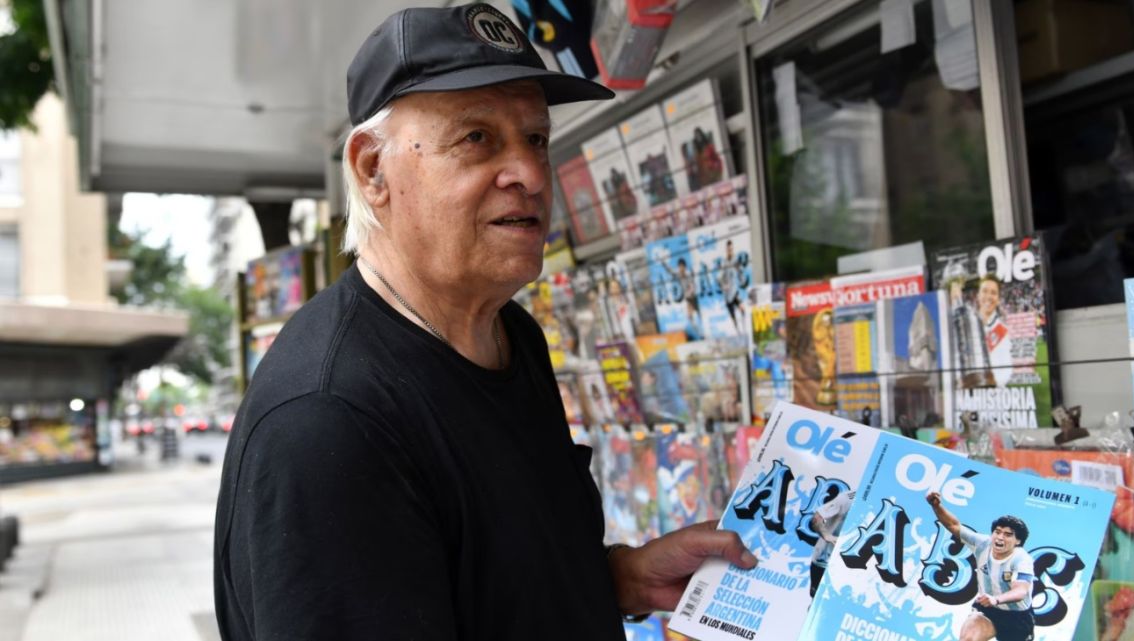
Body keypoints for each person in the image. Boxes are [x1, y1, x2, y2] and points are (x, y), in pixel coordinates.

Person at [212, 5, 756, 641]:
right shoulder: (330, 420)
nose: (527, 173)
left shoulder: (510, 334)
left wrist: (619, 579)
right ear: (372, 169)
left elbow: (493, 579)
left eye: (536, 139)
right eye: (476, 138)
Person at [926, 493, 1035, 641]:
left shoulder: (1021, 559)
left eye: (1008, 535)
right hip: (987, 610)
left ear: (1018, 541)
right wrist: (936, 506)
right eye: (997, 532)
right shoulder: (982, 544)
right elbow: (953, 525)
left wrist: (996, 599)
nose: (1000, 537)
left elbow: (1021, 591)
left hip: (1017, 619)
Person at [808, 489, 855, 598]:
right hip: (824, 562)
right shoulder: (847, 498)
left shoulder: (879, 501)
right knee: (818, 601)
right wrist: (826, 535)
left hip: (848, 564)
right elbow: (817, 517)